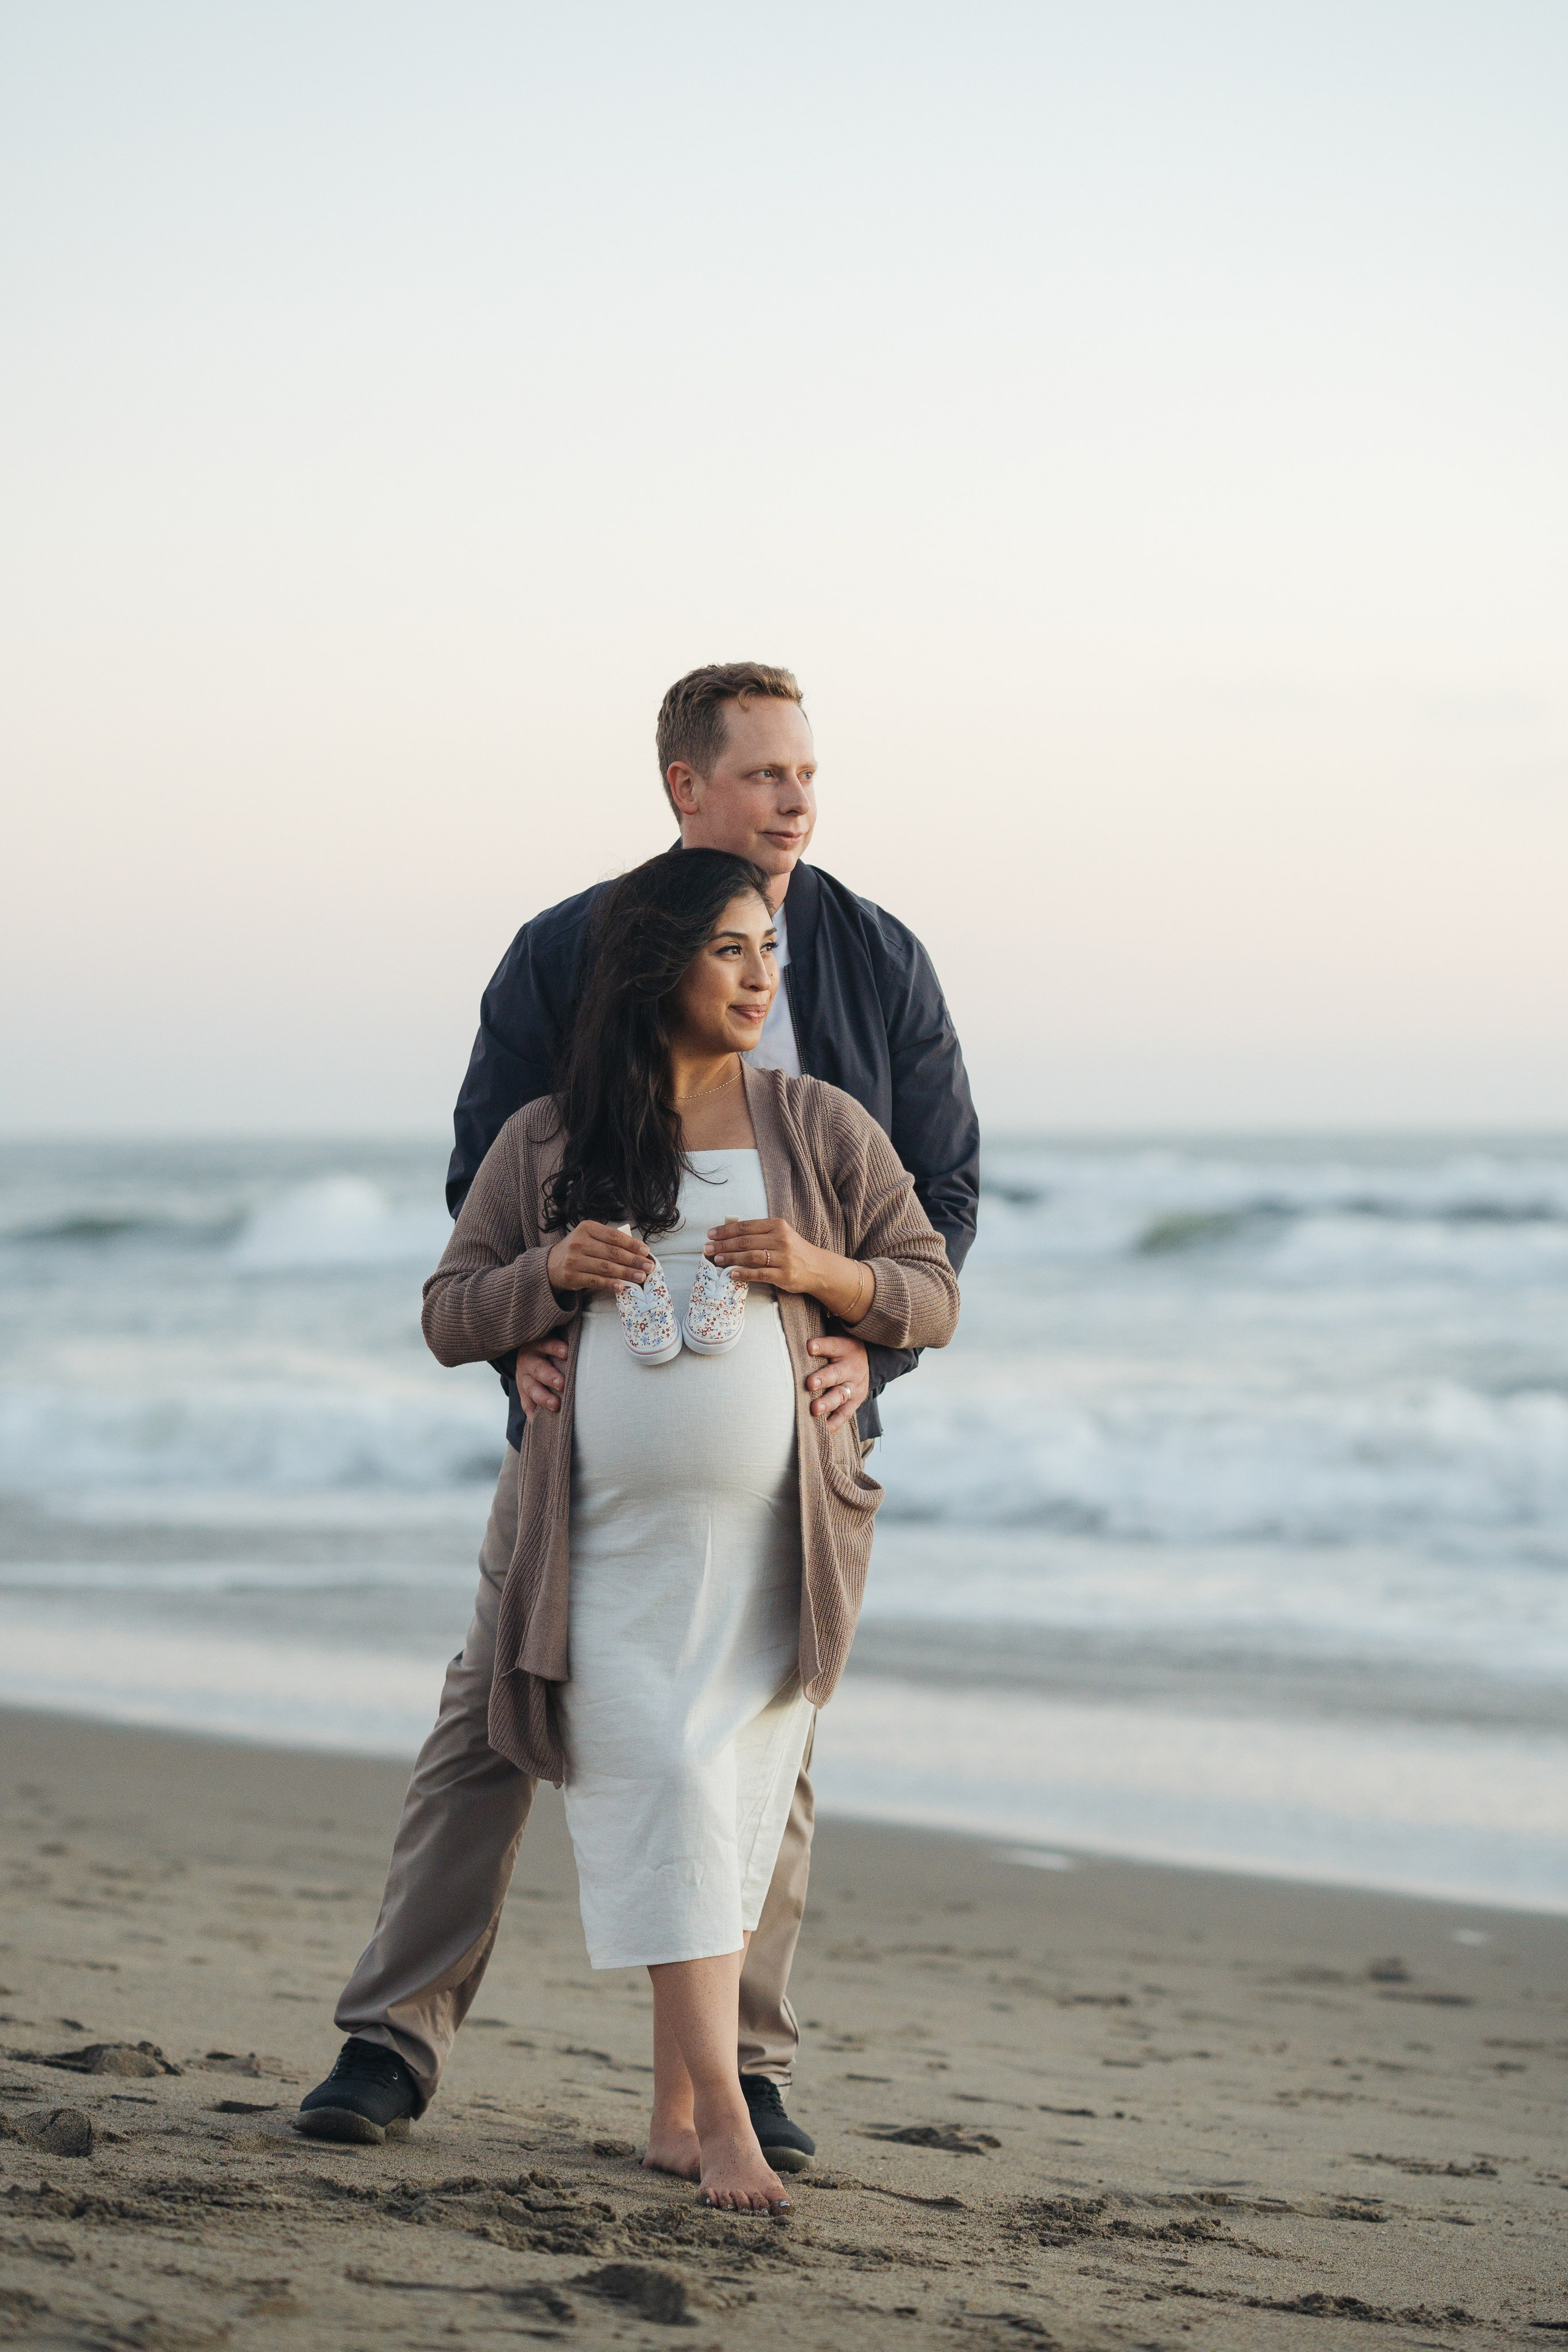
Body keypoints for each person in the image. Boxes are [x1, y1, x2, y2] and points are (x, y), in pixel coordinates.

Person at [298, 662, 978, 2164]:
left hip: (793, 1445)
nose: (795, 802)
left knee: (760, 1743)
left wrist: (873, 1351)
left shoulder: (870, 960)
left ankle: (742, 2065)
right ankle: (392, 2040)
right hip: (584, 1447)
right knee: (496, 1711)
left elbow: (937, 1204)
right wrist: (520, 1342)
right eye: (763, 777)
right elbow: (493, 1182)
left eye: (807, 776)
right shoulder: (573, 949)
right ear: (686, 789)